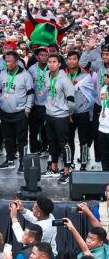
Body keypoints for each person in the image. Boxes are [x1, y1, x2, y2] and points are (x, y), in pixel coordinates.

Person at [0, 51, 33, 173]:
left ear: (16, 62)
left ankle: (23, 162)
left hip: (20, 112)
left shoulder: (25, 75)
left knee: (22, 139)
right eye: (5, 61)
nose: (7, 63)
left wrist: (27, 109)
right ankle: (10, 160)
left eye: (9, 61)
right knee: (8, 138)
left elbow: (30, 93)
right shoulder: (2, 73)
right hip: (5, 112)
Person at [43, 54, 75, 184]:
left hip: (61, 116)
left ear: (59, 64)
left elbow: (72, 100)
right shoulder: (47, 75)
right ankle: (54, 168)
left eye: (54, 62)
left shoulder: (64, 79)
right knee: (52, 142)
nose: (51, 64)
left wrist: (67, 113)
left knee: (64, 144)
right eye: (49, 62)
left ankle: (67, 171)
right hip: (49, 115)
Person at [80, 41, 109, 170]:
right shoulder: (98, 65)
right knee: (98, 134)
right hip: (99, 104)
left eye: (107, 54)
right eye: (103, 54)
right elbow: (82, 64)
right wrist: (87, 50)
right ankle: (98, 161)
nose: (104, 57)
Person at [65, 51, 95, 170]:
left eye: (74, 59)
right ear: (67, 61)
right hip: (68, 113)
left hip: (83, 112)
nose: (72, 61)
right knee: (68, 140)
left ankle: (83, 163)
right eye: (69, 59)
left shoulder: (86, 76)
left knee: (84, 140)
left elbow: (91, 95)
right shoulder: (63, 75)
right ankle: (69, 162)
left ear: (78, 61)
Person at [27, 47, 49, 155]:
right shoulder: (31, 69)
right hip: (34, 104)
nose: (44, 57)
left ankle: (45, 148)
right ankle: (33, 150)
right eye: (42, 55)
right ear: (37, 57)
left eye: (46, 55)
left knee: (46, 129)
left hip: (47, 105)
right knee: (33, 130)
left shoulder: (51, 68)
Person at [98, 68, 109, 171]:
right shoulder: (103, 89)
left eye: (107, 76)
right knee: (104, 154)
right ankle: (105, 175)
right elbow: (103, 104)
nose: (105, 78)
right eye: (105, 75)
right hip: (102, 128)